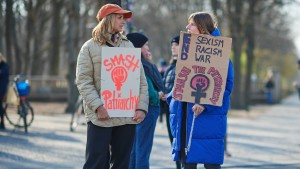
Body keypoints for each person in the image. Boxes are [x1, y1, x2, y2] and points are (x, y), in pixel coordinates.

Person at [75, 4, 149, 169]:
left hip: (126, 117)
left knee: (122, 164)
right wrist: (98, 106)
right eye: (119, 17)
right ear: (108, 19)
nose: (124, 21)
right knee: (96, 163)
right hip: (101, 117)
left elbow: (141, 80)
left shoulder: (128, 45)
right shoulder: (89, 47)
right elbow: (83, 81)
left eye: (124, 17)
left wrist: (141, 108)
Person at [167, 12, 234, 169]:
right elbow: (181, 81)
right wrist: (171, 97)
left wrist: (205, 104)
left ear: (202, 28)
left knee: (210, 164)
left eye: (191, 24)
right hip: (186, 115)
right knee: (188, 164)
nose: (187, 27)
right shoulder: (187, 50)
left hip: (207, 118)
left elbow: (225, 85)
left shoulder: (220, 53)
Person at [126, 32, 165, 169]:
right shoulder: (141, 64)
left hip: (134, 109)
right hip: (148, 109)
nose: (148, 48)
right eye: (145, 45)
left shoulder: (130, 62)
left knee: (133, 150)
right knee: (143, 150)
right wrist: (159, 95)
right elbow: (153, 89)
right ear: (138, 47)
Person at [160, 35, 181, 169]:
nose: (173, 48)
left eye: (176, 45)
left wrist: (170, 95)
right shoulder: (170, 67)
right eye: (172, 45)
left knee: (180, 143)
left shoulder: (185, 66)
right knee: (172, 142)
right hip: (168, 110)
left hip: (179, 110)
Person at [0, 53, 9, 130]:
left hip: (1, 89)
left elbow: (4, 79)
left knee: (0, 106)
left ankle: (2, 123)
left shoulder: (4, 66)